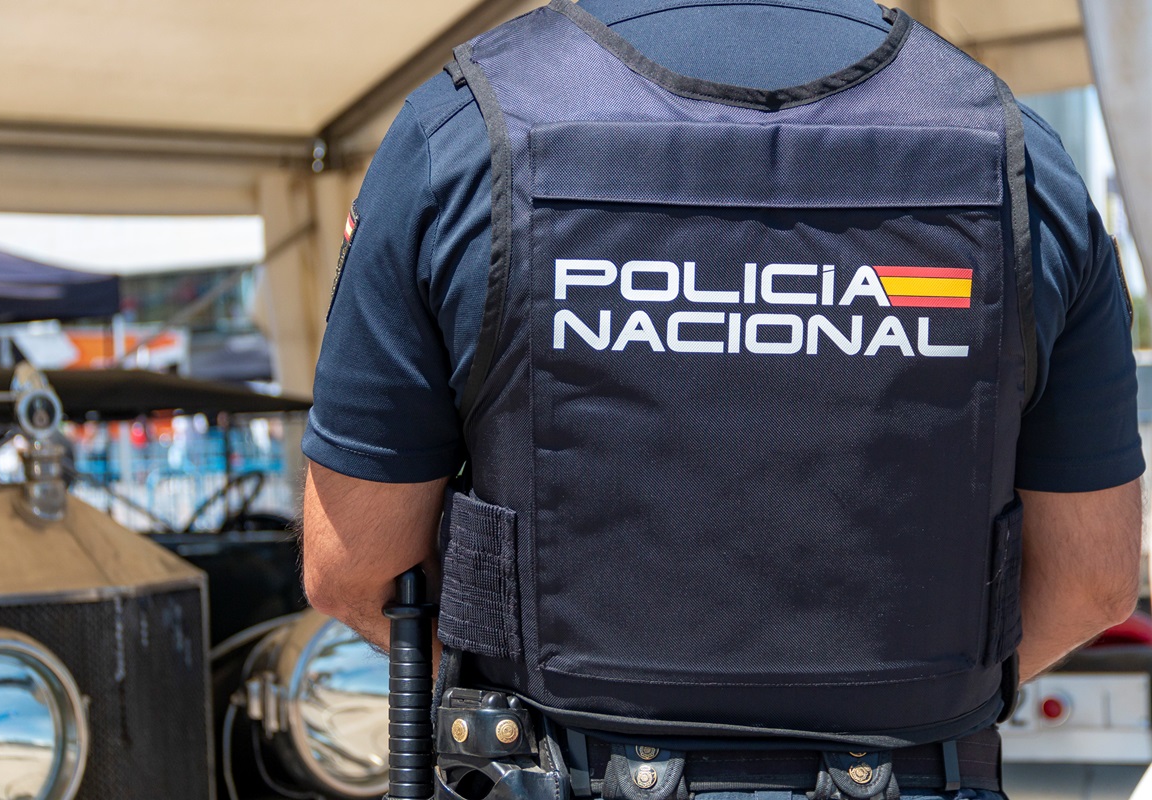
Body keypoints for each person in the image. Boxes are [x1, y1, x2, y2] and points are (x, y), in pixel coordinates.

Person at [303, 1, 1144, 797]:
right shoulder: (1016, 156)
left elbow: (354, 566)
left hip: (557, 767)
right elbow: (1094, 581)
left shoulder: (460, 135)